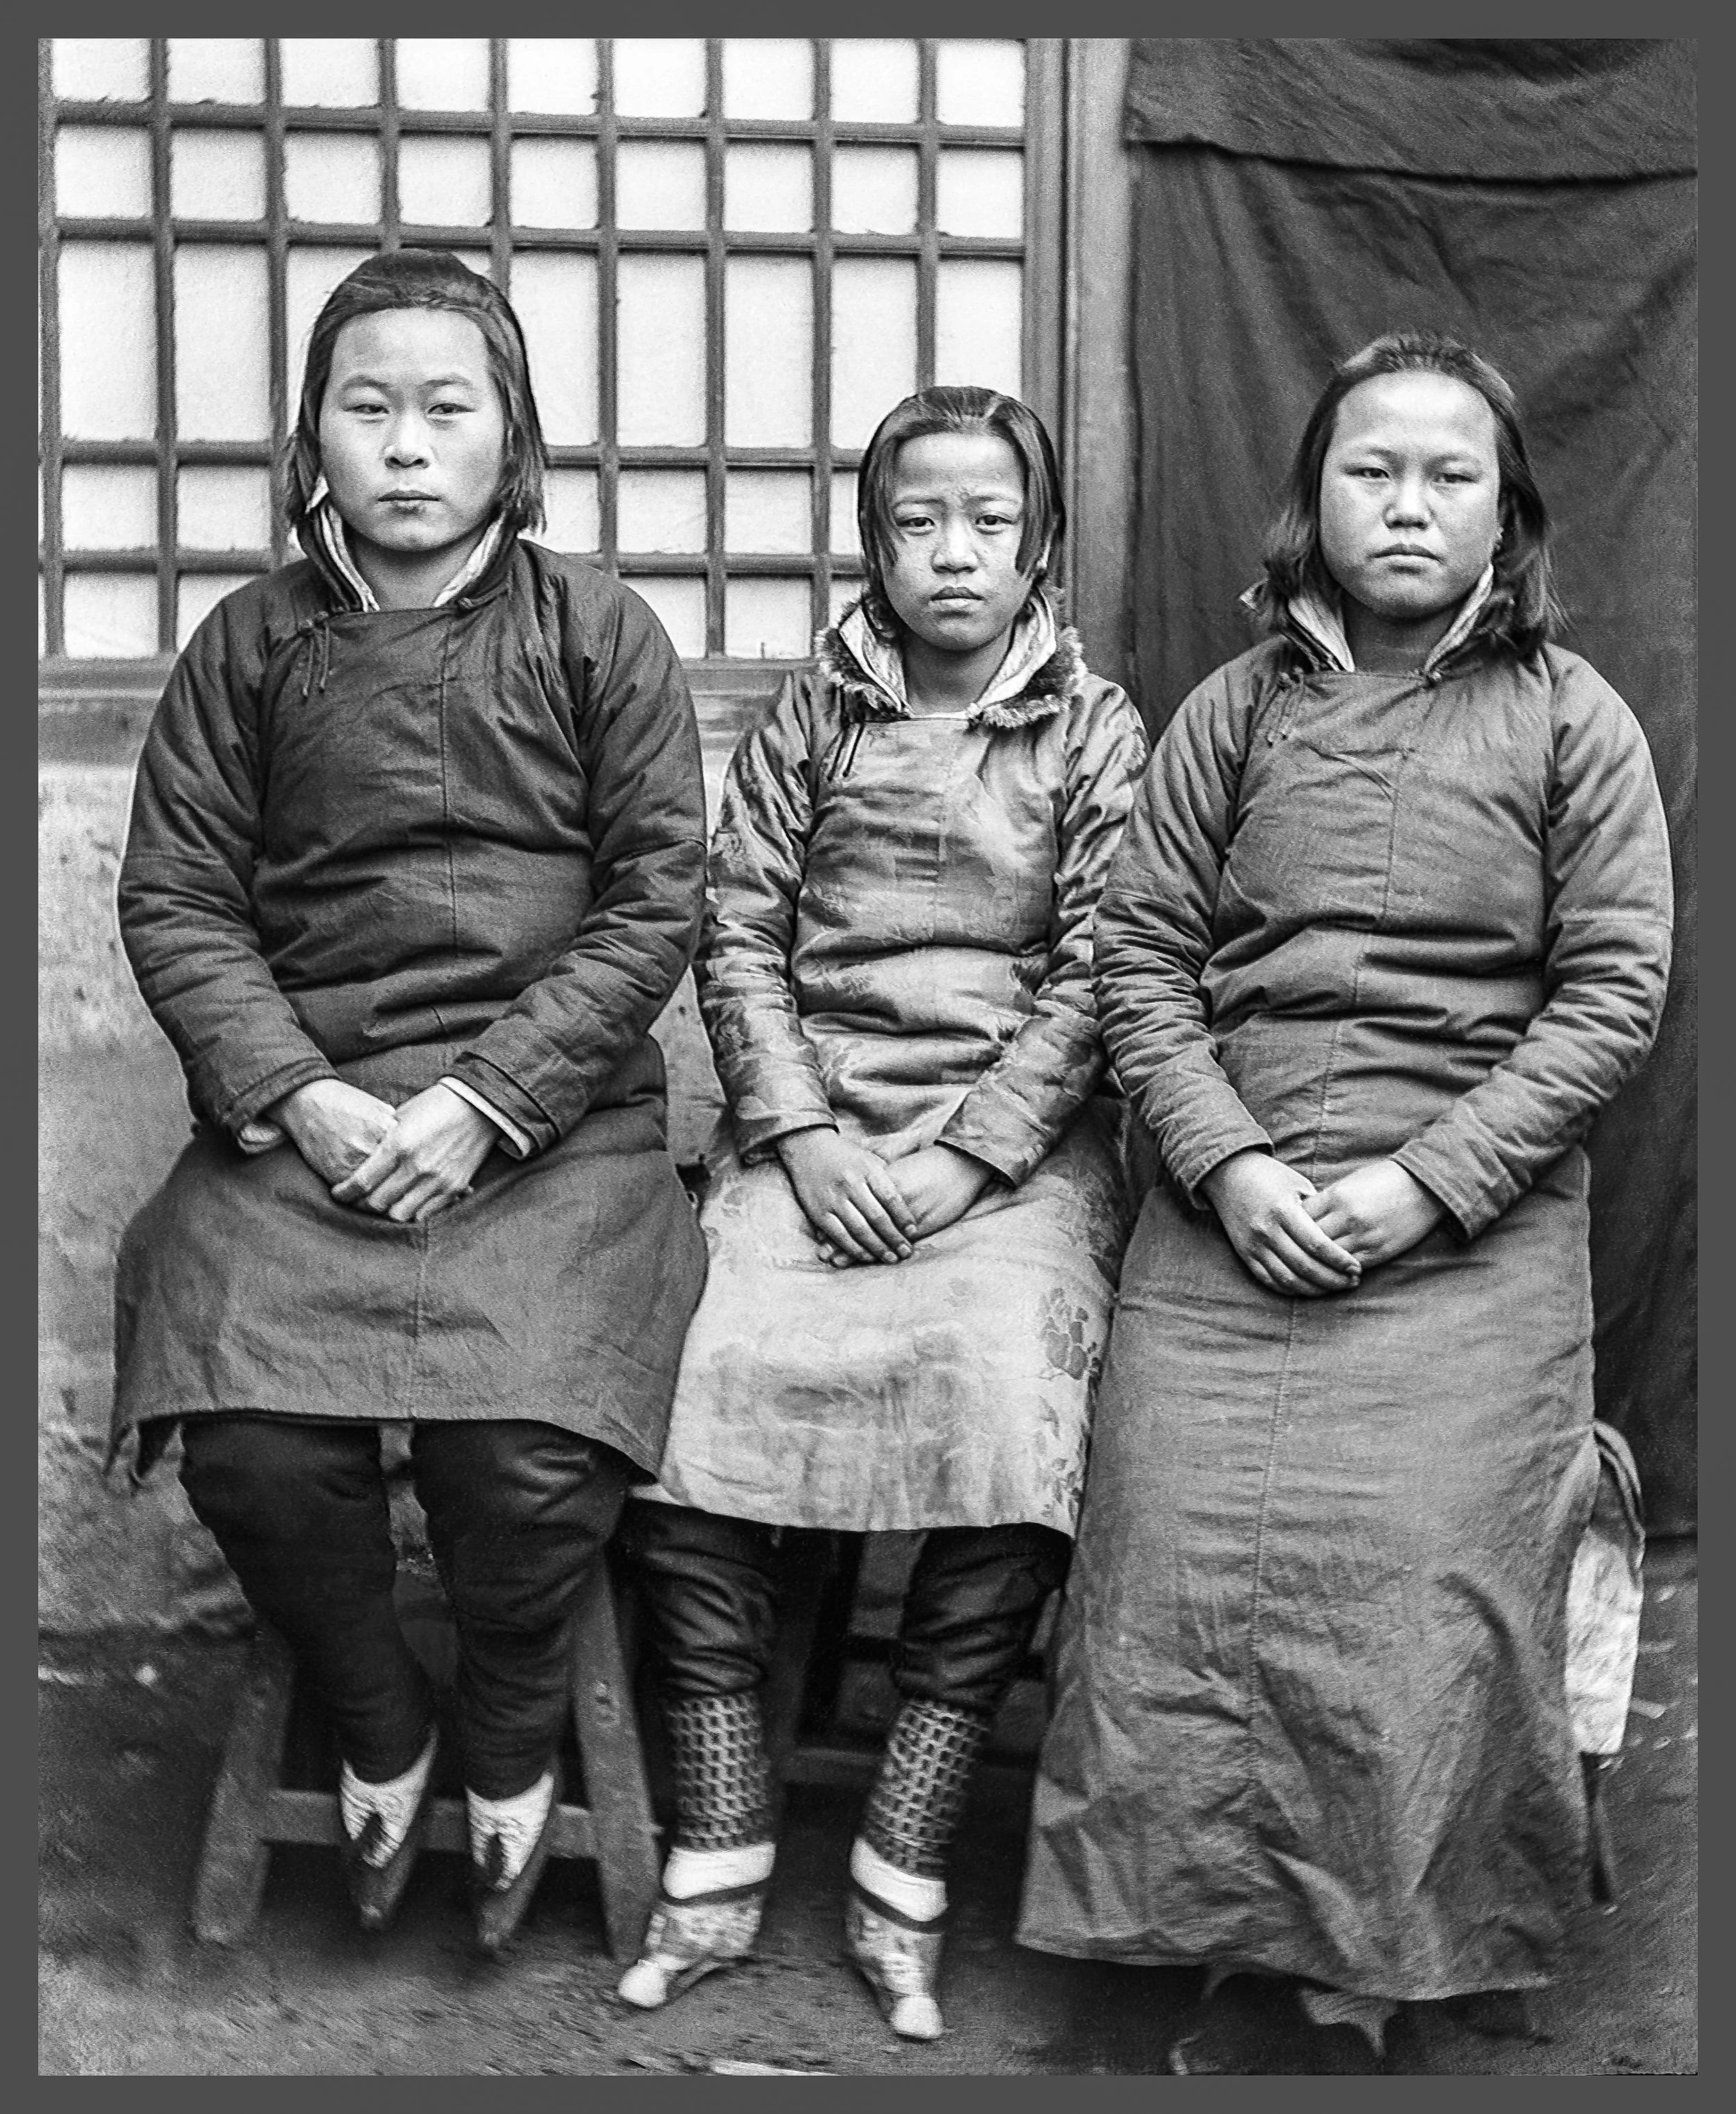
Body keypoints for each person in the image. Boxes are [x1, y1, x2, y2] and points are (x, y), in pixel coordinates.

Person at [1016, 331, 1674, 2070]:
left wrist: (1423, 1183)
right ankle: (1195, 1932)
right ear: (1308, 500)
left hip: (1469, 1227)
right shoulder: (1230, 714)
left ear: (1505, 516)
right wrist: (1228, 1164)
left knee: (1417, 1560)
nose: (1405, 503)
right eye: (1367, 469)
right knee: (1166, 1549)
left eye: (1449, 475)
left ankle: (1367, 1963)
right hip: (1225, 1209)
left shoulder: (1574, 722)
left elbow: (1610, 995)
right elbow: (1139, 961)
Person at [110, 248, 709, 1951]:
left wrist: (490, 1100)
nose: (404, 443)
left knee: (524, 1456)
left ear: (512, 438)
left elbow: (655, 899)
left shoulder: (598, 633)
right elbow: (177, 900)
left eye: (448, 408)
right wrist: (297, 1095)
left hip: (550, 1135)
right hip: (309, 1126)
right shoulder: (248, 646)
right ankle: (379, 1716)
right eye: (365, 407)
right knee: (250, 1440)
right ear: (311, 436)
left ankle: (511, 1726)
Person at [611, 385, 1148, 2038]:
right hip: (815, 1130)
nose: (953, 552)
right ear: (873, 541)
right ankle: (720, 1819)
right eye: (919, 521)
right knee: (684, 1378)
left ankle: (906, 1833)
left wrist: (967, 1157)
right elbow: (735, 932)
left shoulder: (1093, 729)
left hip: (1009, 1156)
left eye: (990, 521)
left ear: (1039, 546)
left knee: (1010, 1399)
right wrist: (801, 1135)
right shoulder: (814, 714)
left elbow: (1104, 966)